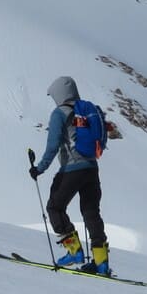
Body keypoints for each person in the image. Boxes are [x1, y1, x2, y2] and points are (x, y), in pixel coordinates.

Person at [30, 75, 110, 275]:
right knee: (91, 212)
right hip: (92, 169)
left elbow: (53, 145)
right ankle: (101, 263)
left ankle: (74, 252)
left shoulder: (60, 113)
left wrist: (39, 168)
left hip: (72, 169)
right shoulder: (87, 110)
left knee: (55, 207)